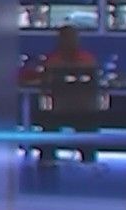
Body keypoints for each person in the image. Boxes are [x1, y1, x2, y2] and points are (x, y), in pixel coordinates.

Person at [38, 25, 102, 165]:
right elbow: (44, 84)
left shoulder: (87, 60)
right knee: (48, 125)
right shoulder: (53, 61)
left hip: (81, 111)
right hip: (61, 110)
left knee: (87, 126)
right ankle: (47, 161)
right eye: (65, 38)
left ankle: (88, 161)